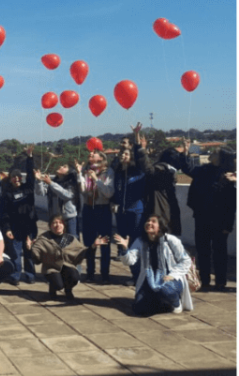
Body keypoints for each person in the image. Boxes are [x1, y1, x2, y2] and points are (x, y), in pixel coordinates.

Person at [115, 214, 194, 316]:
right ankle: (162, 303)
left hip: (170, 279)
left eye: (153, 221)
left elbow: (186, 261)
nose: (149, 223)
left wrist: (172, 275)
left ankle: (176, 303)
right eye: (148, 221)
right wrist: (125, 249)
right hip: (149, 280)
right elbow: (129, 261)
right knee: (139, 309)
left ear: (160, 226)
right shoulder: (140, 241)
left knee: (166, 290)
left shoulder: (170, 240)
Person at [183, 146, 236, 291]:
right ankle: (204, 280)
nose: (211, 153)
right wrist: (186, 151)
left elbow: (231, 204)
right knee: (203, 251)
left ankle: (220, 282)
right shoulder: (202, 170)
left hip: (220, 221)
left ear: (220, 158)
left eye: (215, 152)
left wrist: (228, 226)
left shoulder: (228, 176)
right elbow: (188, 169)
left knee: (220, 253)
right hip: (202, 218)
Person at [30, 214, 107, 302]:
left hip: (67, 266)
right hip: (52, 268)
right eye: (54, 223)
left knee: (75, 277)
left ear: (64, 225)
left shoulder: (70, 239)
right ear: (50, 225)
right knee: (59, 285)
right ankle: (53, 287)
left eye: (60, 222)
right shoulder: (44, 238)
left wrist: (94, 245)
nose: (57, 225)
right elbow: (36, 254)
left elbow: (83, 252)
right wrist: (30, 249)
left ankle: (68, 290)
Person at [112, 124, 147, 285]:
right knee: (124, 243)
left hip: (136, 212)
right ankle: (134, 275)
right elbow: (116, 192)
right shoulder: (119, 173)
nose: (123, 156)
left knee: (135, 244)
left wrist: (136, 136)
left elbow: (141, 157)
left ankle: (138, 275)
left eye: (126, 154)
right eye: (122, 154)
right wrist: (114, 202)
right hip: (122, 213)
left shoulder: (137, 171)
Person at [0, 146, 38, 284]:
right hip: (15, 228)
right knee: (15, 254)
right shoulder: (7, 194)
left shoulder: (27, 188)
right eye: (13, 176)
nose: (16, 178)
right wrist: (7, 229)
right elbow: (5, 214)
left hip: (29, 226)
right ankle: (15, 276)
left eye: (18, 176)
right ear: (10, 179)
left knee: (28, 252)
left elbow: (30, 174)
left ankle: (30, 275)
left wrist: (30, 157)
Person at [78, 152, 115, 283]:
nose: (90, 155)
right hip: (88, 208)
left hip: (102, 209)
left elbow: (108, 192)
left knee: (105, 242)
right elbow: (83, 191)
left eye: (93, 154)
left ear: (101, 158)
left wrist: (96, 180)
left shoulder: (108, 172)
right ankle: (90, 273)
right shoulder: (86, 171)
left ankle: (105, 275)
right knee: (89, 243)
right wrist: (80, 176)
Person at [35, 164, 81, 237]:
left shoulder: (71, 183)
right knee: (57, 241)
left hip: (68, 217)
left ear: (68, 172)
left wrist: (51, 183)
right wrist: (39, 181)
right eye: (60, 165)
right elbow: (40, 192)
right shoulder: (53, 181)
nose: (60, 166)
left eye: (64, 167)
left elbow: (67, 195)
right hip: (55, 218)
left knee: (72, 241)